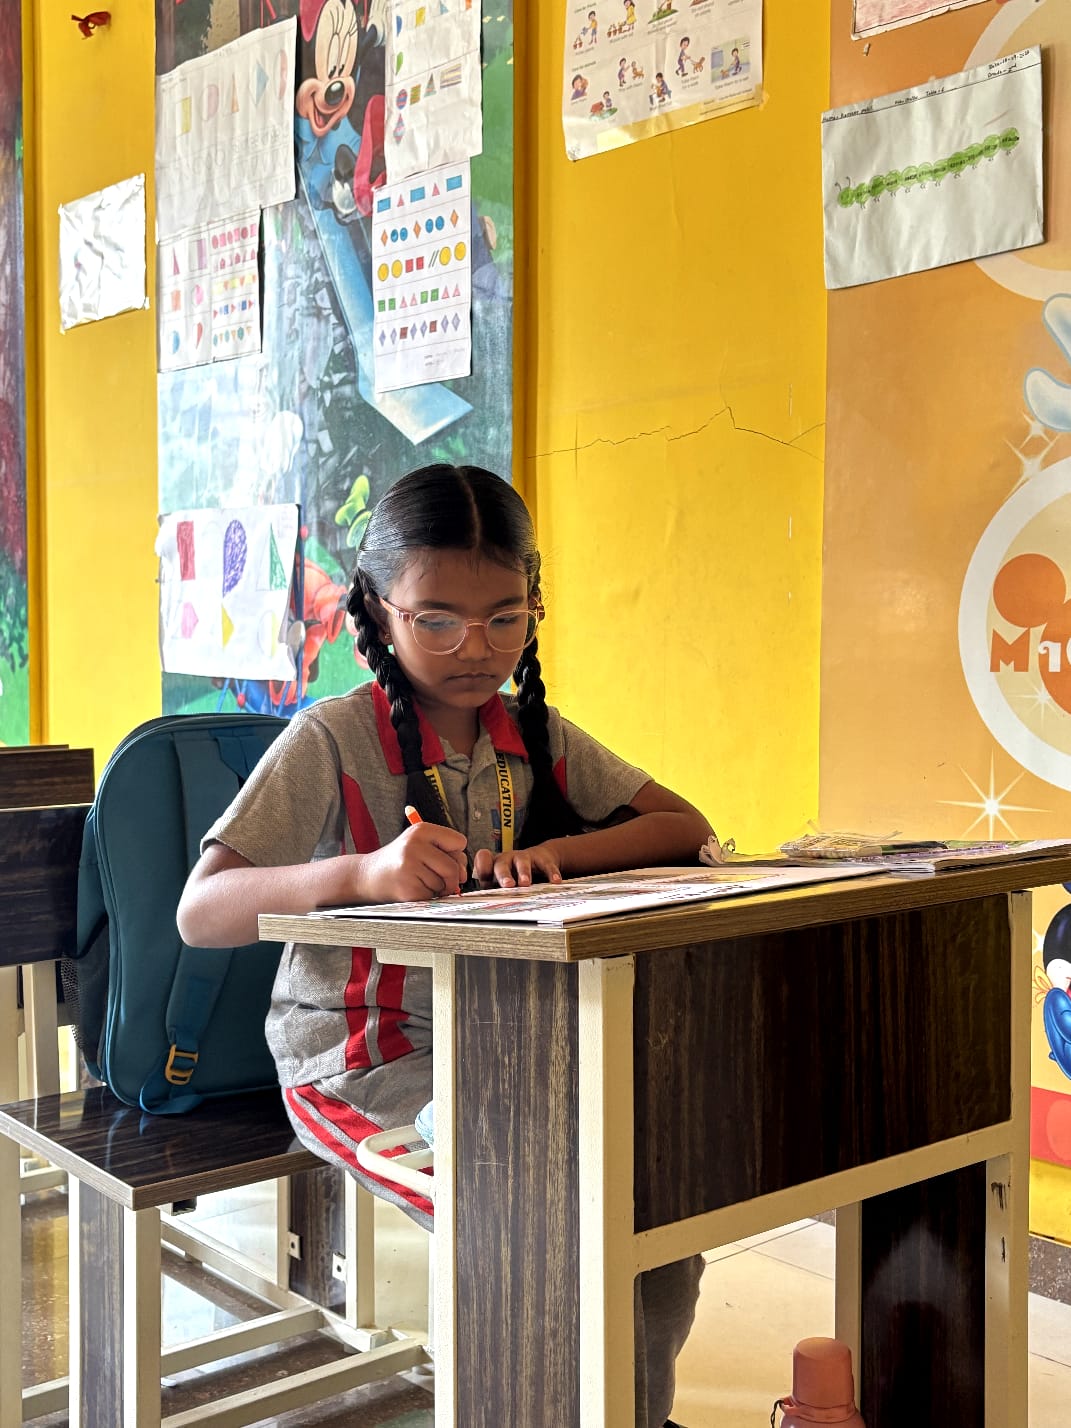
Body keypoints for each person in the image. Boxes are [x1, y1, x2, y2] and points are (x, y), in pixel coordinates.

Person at [177, 464, 711, 1428]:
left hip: (508, 1042)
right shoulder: (330, 738)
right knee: (533, 1220)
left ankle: (631, 1412)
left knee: (658, 1215)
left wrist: (555, 851)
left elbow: (681, 824)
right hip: (362, 1061)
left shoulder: (531, 733)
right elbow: (201, 909)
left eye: (505, 618)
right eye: (438, 620)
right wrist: (363, 873)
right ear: (377, 612)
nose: (477, 648)